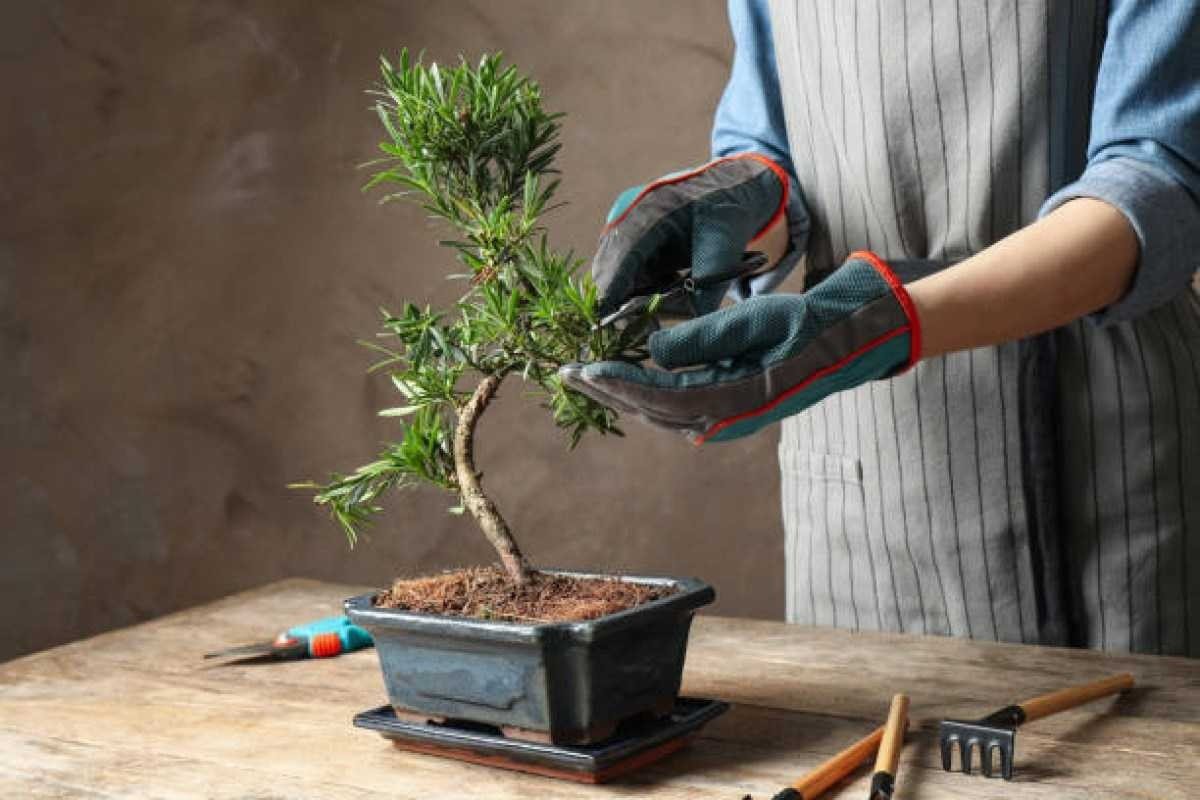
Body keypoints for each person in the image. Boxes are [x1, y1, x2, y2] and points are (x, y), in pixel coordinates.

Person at [562, 0, 1200, 656]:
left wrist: (881, 319)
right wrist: (732, 203)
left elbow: (1159, 182)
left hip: (1102, 459)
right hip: (862, 469)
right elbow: (775, 142)